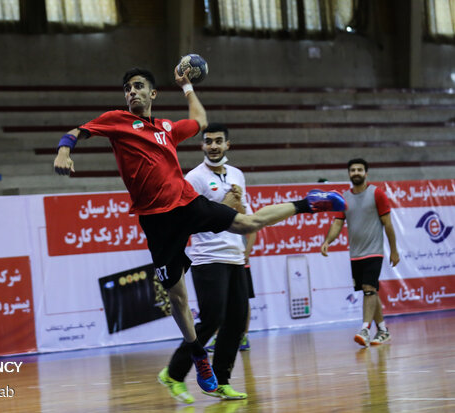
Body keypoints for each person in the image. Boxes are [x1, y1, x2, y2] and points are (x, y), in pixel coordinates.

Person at [54, 66, 346, 394]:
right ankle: (197, 353)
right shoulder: (118, 120)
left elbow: (200, 121)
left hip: (187, 203)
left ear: (152, 94)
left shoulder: (166, 128)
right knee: (177, 297)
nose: (131, 92)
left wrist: (187, 86)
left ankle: (310, 203)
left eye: (138, 87)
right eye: (127, 89)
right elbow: (77, 131)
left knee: (246, 222)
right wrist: (64, 151)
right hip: (156, 221)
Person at [157, 123, 256, 403]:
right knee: (212, 319)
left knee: (236, 323)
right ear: (202, 146)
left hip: (235, 257)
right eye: (208, 141)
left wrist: (245, 244)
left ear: (228, 145)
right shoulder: (194, 179)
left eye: (218, 141)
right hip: (208, 258)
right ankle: (174, 374)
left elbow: (242, 213)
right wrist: (224, 206)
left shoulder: (237, 175)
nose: (213, 145)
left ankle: (221, 381)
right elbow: (190, 218)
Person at [320, 158, 399, 347]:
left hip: (374, 251)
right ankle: (383, 330)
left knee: (369, 289)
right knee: (370, 289)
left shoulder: (377, 194)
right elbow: (338, 222)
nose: (356, 172)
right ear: (349, 173)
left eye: (360, 169)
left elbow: (388, 224)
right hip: (355, 254)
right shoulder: (344, 198)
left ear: (366, 173)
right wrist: (327, 241)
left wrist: (394, 250)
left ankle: (364, 328)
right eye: (353, 170)